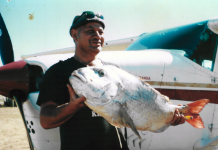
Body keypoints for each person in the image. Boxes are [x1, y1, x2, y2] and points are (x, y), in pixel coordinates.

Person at [37, 11, 185, 150]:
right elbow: (45, 120)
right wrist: (72, 106)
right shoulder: (58, 72)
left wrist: (168, 116)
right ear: (74, 35)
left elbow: (136, 111)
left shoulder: (114, 71)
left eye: (100, 32)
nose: (97, 36)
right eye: (90, 31)